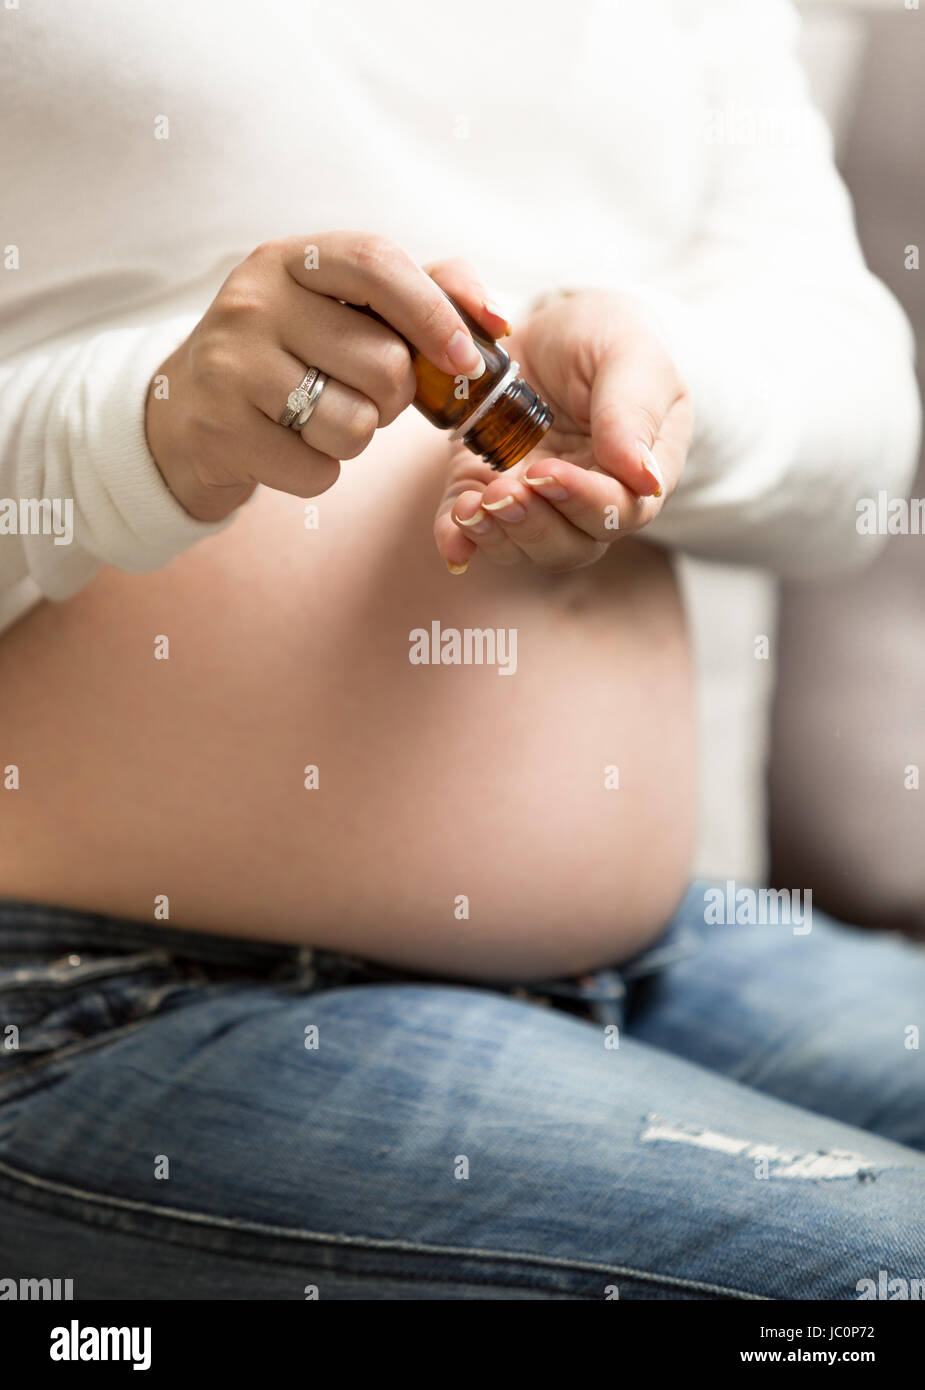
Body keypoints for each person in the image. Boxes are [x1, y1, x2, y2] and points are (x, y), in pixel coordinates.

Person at [0, 0, 922, 1299]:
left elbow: (857, 442)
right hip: (105, 992)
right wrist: (140, 430)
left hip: (657, 954)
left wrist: (664, 388)